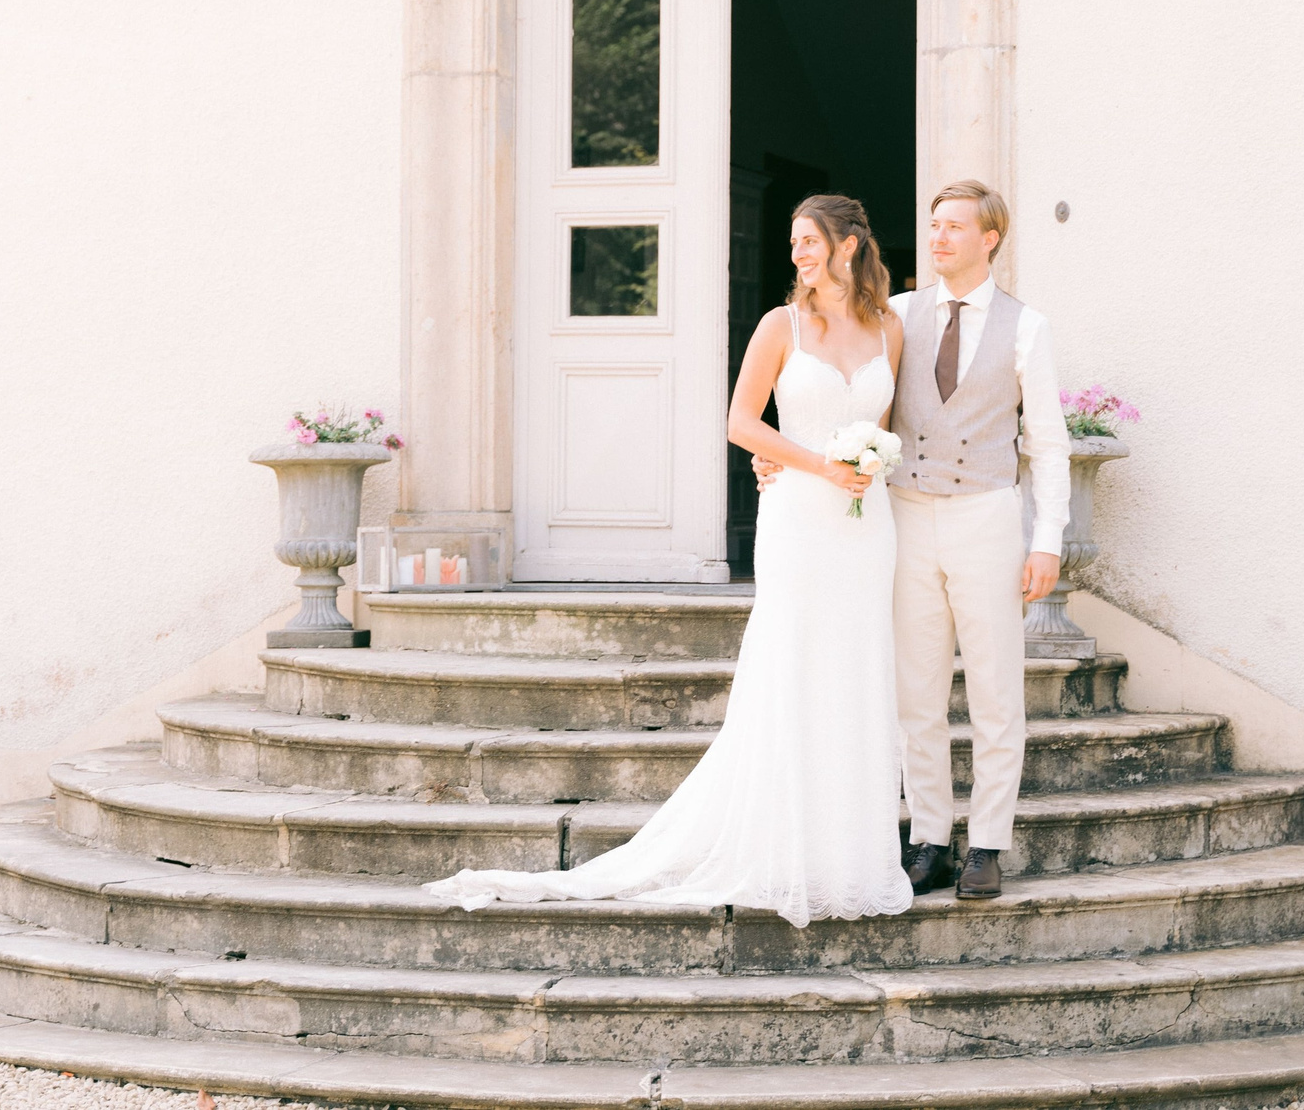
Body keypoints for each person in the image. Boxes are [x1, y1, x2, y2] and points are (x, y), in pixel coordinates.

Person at [424, 195, 914, 926]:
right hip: (800, 522)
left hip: (865, 526)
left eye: (809, 241)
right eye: (792, 242)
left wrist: (868, 465)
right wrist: (814, 463)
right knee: (794, 669)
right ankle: (782, 847)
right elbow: (741, 423)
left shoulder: (890, 328)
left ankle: (848, 856)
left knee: (857, 671)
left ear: (848, 247)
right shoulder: (780, 326)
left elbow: (881, 425)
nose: (798, 254)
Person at [756, 179, 1067, 901]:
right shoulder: (892, 314)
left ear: (990, 238)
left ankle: (987, 841)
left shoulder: (1028, 328)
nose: (938, 238)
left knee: (994, 688)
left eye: (954, 227)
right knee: (916, 691)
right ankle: (929, 836)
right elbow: (844, 400)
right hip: (902, 518)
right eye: (933, 225)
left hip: (987, 515)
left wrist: (1047, 537)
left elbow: (1048, 445)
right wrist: (778, 455)